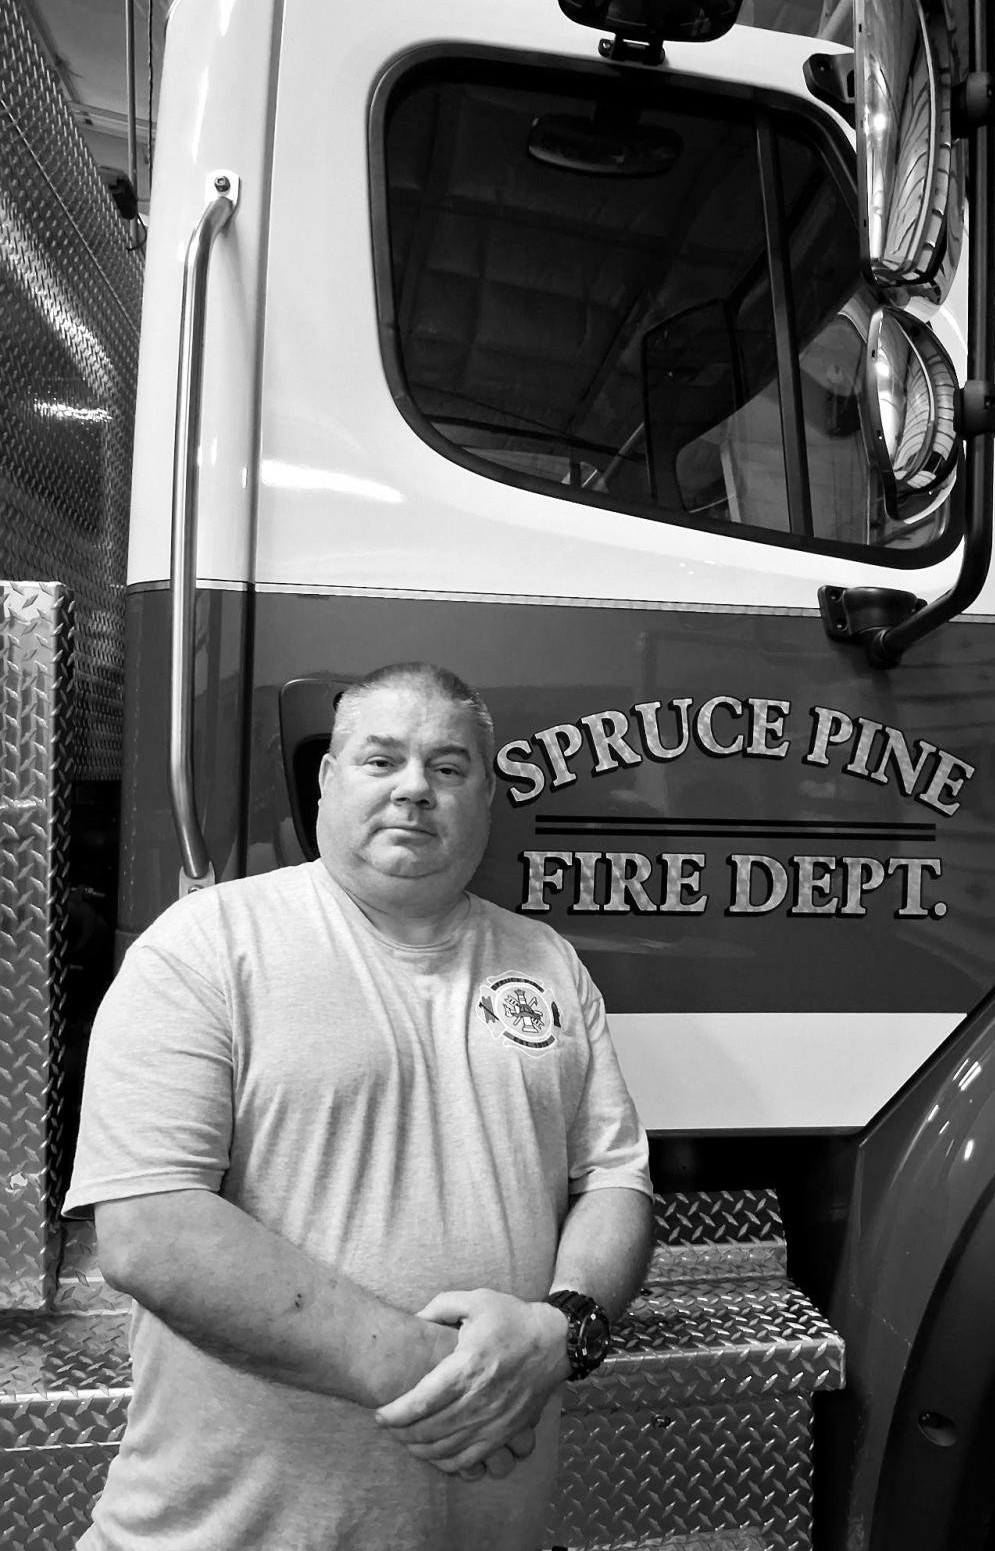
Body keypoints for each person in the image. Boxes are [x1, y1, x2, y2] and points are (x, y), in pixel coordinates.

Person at [64, 661, 655, 1551]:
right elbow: (150, 1230)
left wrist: (558, 1332)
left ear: (486, 798)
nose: (416, 788)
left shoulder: (546, 962)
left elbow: (614, 1179)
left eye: (449, 768)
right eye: (381, 761)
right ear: (327, 781)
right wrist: (453, 1376)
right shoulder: (205, 947)